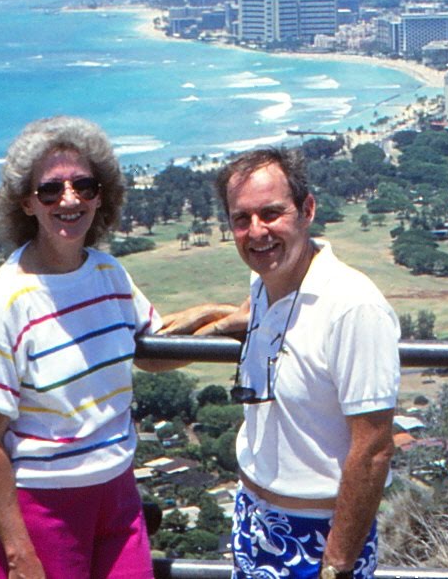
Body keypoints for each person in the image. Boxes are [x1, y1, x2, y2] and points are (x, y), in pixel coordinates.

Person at [0, 116, 217, 579]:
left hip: (117, 493)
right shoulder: (6, 300)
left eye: (83, 185)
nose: (70, 199)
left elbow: (151, 350)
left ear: (102, 195)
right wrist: (18, 552)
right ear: (26, 203)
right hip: (43, 509)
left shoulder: (108, 273)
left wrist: (222, 320)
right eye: (51, 190)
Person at [162, 147, 400, 579]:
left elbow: (374, 449)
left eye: (271, 213)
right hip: (253, 522)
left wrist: (337, 563)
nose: (257, 231)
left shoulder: (353, 307)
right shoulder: (263, 284)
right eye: (241, 219)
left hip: (319, 537)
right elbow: (270, 322)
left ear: (307, 210)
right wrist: (212, 316)